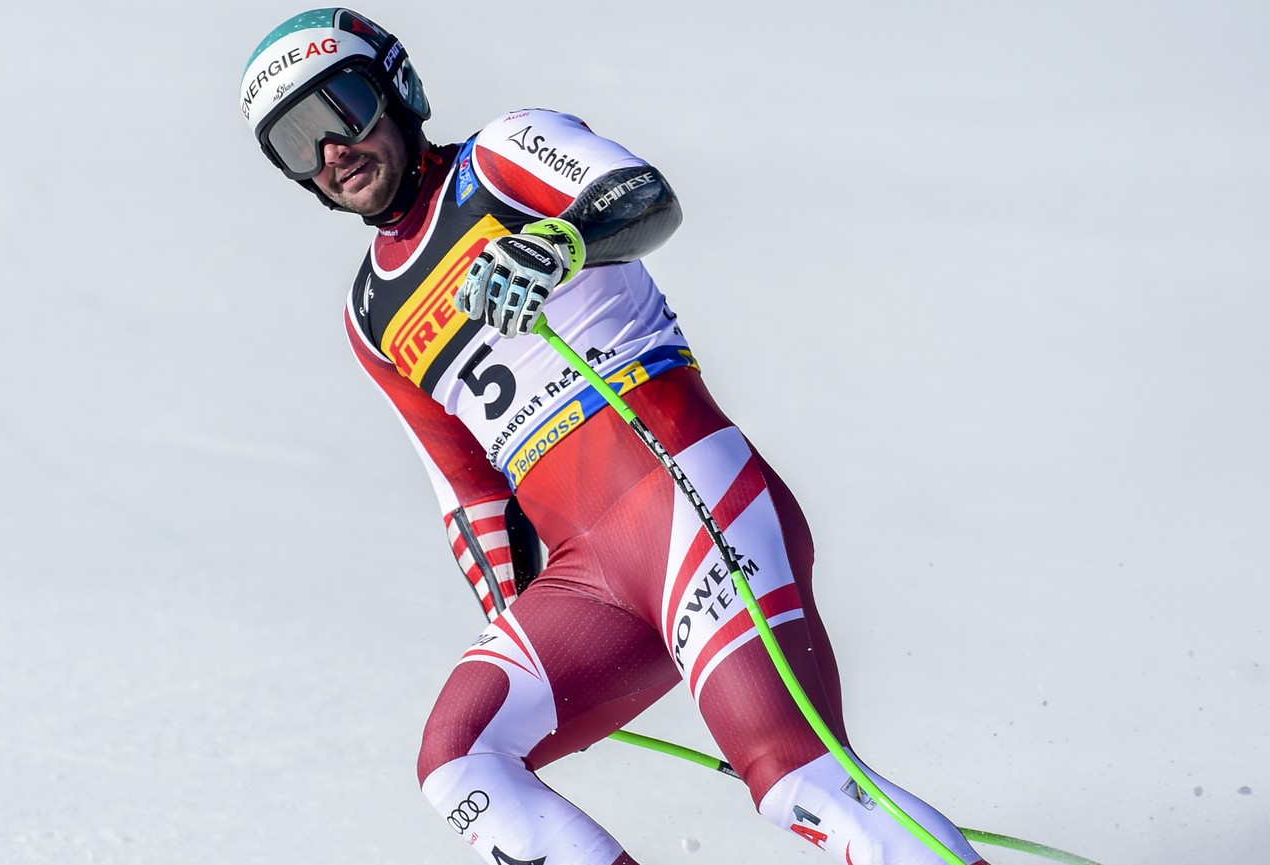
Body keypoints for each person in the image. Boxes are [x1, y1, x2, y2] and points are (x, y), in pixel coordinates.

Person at [240, 9, 993, 865]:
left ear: (397, 89)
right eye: (298, 139)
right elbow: (468, 489)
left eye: (341, 106)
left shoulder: (500, 157)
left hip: (685, 499)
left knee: (798, 780)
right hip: (585, 577)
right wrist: (519, 625)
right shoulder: (370, 315)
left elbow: (641, 197)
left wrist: (559, 241)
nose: (333, 149)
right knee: (460, 757)